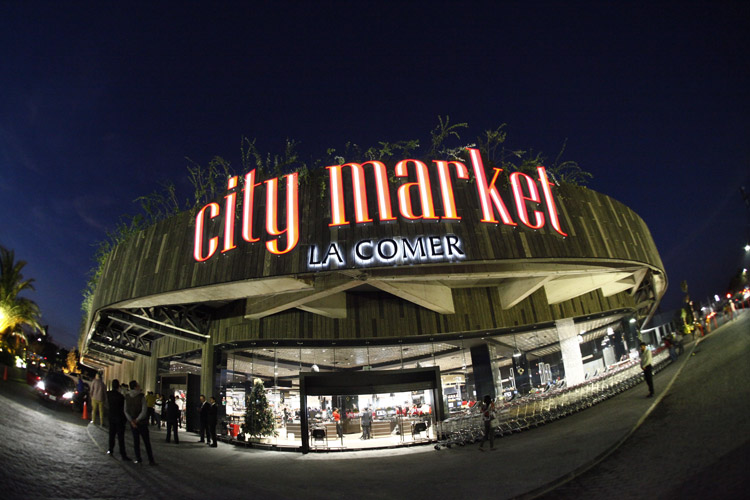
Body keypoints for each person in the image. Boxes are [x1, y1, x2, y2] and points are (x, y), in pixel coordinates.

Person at [124, 380, 156, 465]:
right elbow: (144, 410)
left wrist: (131, 421)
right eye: (138, 385)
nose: (139, 386)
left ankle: (138, 458)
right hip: (142, 422)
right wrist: (137, 420)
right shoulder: (141, 396)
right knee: (146, 442)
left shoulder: (127, 396)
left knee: (136, 441)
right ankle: (151, 460)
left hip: (133, 423)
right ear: (135, 387)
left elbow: (125, 410)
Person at [106, 379, 130, 461]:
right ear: (118, 386)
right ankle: (123, 454)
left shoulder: (108, 394)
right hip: (119, 418)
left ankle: (110, 450)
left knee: (111, 435)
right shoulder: (121, 397)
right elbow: (124, 409)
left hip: (111, 416)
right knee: (120, 437)